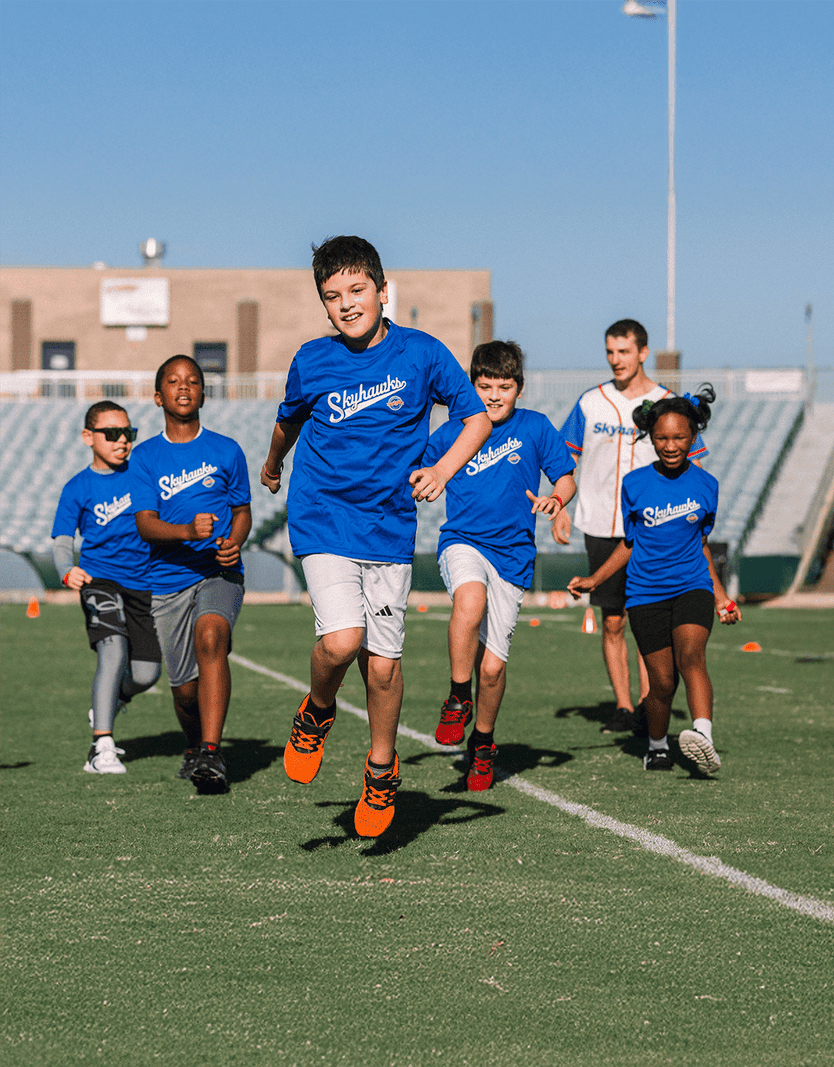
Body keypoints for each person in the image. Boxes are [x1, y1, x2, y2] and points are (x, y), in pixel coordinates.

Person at [261, 235, 489, 838]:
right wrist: (273, 462)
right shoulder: (312, 359)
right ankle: (316, 712)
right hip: (323, 516)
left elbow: (477, 417)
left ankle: (381, 770)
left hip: (388, 528)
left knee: (383, 669)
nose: (346, 304)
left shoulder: (423, 353)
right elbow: (287, 422)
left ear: (383, 292)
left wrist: (442, 469)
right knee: (341, 642)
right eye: (332, 296)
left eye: (357, 290)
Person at [421, 340, 576, 790]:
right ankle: (456, 698)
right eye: (484, 385)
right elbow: (415, 471)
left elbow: (565, 476)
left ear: (519, 389)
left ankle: (483, 743)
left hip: (513, 555)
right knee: (469, 602)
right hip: (462, 542)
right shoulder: (454, 432)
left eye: (503, 387)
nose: (493, 395)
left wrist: (557, 499)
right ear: (471, 387)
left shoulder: (536, 427)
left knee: (492, 669)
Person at [567, 385, 739, 774]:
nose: (671, 445)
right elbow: (630, 544)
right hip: (645, 592)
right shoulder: (635, 484)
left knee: (691, 657)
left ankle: (703, 737)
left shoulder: (707, 485)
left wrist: (721, 596)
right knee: (661, 683)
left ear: (694, 437)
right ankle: (658, 744)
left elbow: (703, 545)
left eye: (679, 437)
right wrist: (595, 579)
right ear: (650, 437)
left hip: (692, 585)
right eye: (662, 438)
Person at [554, 320, 707, 735]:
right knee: (613, 621)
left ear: (643, 353)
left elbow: (695, 459)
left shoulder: (667, 403)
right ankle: (623, 707)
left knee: (649, 617)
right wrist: (559, 507)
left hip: (656, 528)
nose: (615, 360)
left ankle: (648, 702)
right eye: (610, 352)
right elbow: (564, 459)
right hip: (601, 523)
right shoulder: (592, 403)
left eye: (623, 351)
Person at [130, 356, 252, 793]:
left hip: (219, 573)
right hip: (166, 580)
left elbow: (242, 512)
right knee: (184, 691)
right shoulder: (144, 457)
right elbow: (145, 523)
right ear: (159, 395)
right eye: (174, 381)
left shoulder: (226, 449)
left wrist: (234, 540)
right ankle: (193, 745)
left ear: (203, 392)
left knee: (211, 638)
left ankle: (212, 755)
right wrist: (186, 530)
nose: (184, 387)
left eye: (193, 381)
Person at [52, 401, 163, 775]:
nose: (122, 441)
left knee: (147, 674)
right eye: (111, 434)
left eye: (128, 434)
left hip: (144, 583)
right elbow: (63, 541)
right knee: (112, 649)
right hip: (99, 579)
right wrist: (67, 570)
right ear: (89, 437)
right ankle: (101, 749)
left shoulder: (143, 476)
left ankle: (109, 702)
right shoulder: (77, 487)